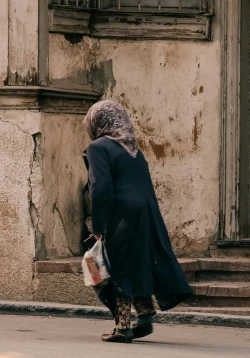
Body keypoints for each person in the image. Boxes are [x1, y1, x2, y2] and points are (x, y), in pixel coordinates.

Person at [83, 100, 192, 343]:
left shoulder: (98, 147)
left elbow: (100, 188)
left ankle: (122, 326)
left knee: (103, 267)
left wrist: (99, 227)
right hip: (144, 213)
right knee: (133, 262)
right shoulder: (133, 149)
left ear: (99, 120)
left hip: (119, 214)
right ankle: (144, 315)